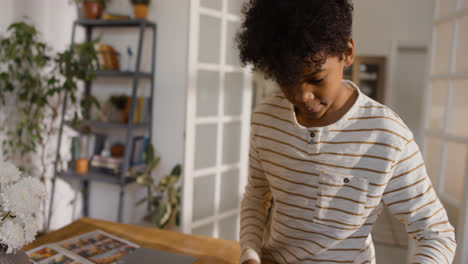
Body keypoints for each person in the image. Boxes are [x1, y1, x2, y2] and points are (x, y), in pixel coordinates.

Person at [236, 0, 457, 263]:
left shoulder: (387, 135)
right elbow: (255, 195)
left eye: (316, 78)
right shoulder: (265, 120)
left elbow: (436, 234)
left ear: (347, 52)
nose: (303, 96)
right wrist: (249, 254)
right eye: (287, 81)